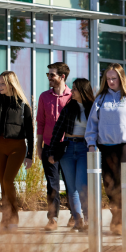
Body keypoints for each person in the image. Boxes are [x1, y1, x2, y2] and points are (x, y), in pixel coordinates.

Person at [85, 63, 126, 235]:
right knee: (109, 185)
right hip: (105, 147)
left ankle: (121, 221)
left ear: (121, 78)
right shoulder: (101, 98)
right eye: (108, 79)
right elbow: (92, 123)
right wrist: (91, 143)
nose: (111, 82)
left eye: (114, 79)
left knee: (122, 184)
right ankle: (117, 216)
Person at [0, 71, 33, 233]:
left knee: (8, 180)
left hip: (17, 147)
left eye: (3, 83)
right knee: (3, 184)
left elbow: (29, 131)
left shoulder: (24, 105)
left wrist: (30, 155)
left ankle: (14, 217)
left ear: (11, 84)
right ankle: (5, 218)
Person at [48, 79, 95, 231]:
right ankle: (78, 219)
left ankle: (88, 218)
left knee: (82, 186)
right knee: (71, 187)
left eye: (74, 89)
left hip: (84, 149)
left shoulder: (93, 108)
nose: (71, 91)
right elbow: (57, 130)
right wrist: (52, 152)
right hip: (68, 148)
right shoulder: (68, 108)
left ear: (82, 91)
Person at [36, 62, 72, 231]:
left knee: (71, 182)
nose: (49, 78)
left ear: (62, 77)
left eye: (52, 75)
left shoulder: (72, 96)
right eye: (48, 74)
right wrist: (38, 145)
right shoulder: (44, 97)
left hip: (68, 147)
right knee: (52, 184)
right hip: (49, 146)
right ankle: (53, 218)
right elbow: (41, 123)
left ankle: (75, 214)